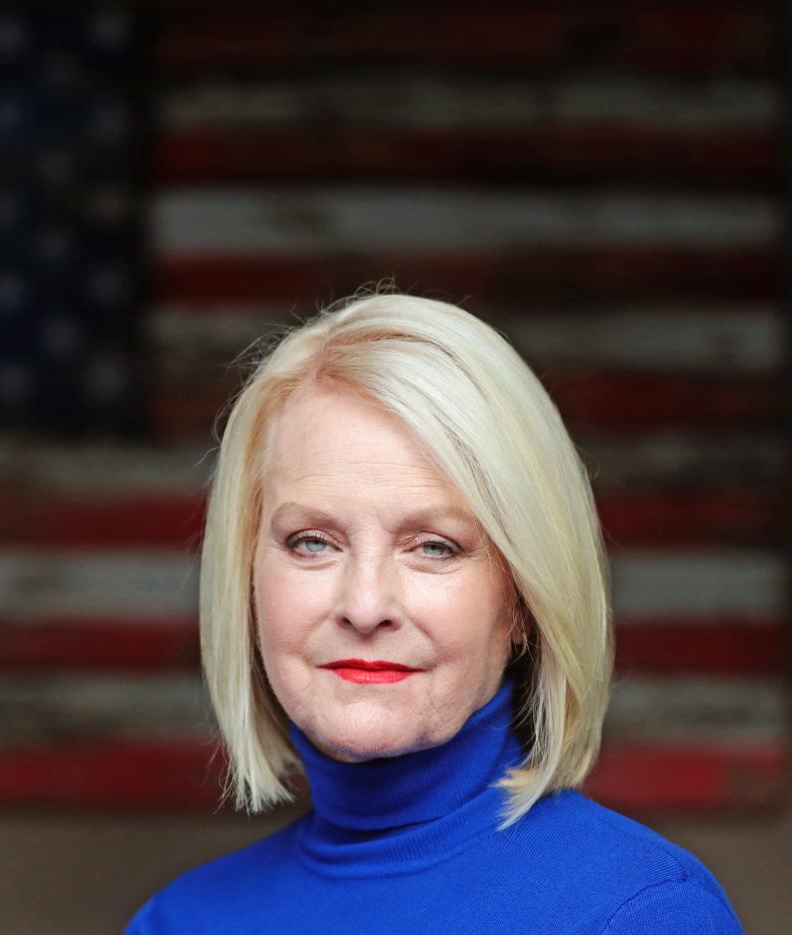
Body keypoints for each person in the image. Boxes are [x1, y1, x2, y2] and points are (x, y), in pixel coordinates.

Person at [124, 291, 744, 934]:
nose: (365, 606)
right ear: (248, 576)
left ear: (524, 600)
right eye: (313, 542)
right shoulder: (178, 921)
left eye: (433, 547)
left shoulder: (641, 913)